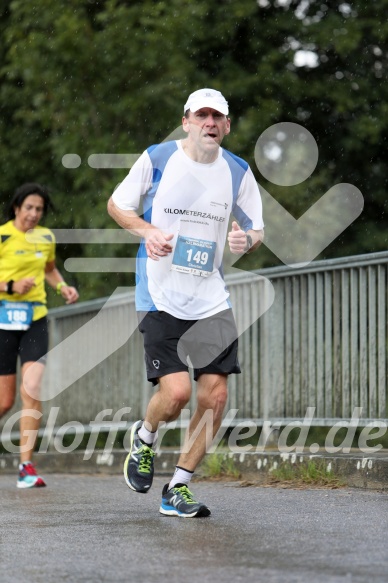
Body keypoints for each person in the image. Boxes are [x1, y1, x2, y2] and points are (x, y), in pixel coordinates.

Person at [107, 88, 264, 517]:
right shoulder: (158, 157)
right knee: (175, 394)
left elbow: (257, 229)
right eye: (202, 116)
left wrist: (244, 239)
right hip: (160, 293)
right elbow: (117, 205)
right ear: (187, 121)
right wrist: (147, 231)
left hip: (210, 298)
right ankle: (144, 438)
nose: (210, 123)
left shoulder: (237, 170)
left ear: (227, 125)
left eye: (218, 117)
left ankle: (178, 487)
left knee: (214, 397)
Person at [0, 183, 79, 488]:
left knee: (32, 387)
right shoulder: (3, 234)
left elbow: (49, 269)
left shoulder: (46, 237)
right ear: (17, 208)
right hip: (3, 321)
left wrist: (62, 287)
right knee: (5, 402)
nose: (34, 214)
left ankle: (25, 467)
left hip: (35, 317)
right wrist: (9, 286)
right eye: (29, 208)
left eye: (39, 209)